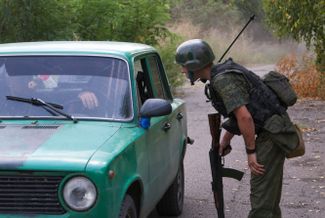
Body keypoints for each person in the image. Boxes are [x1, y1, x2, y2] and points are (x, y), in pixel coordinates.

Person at [175, 39, 299, 218]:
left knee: (262, 198)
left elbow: (244, 117)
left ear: (196, 65)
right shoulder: (222, 75)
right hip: (272, 129)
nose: (183, 70)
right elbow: (238, 115)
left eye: (184, 66)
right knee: (268, 197)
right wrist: (225, 140)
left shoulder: (223, 79)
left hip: (272, 133)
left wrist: (251, 151)